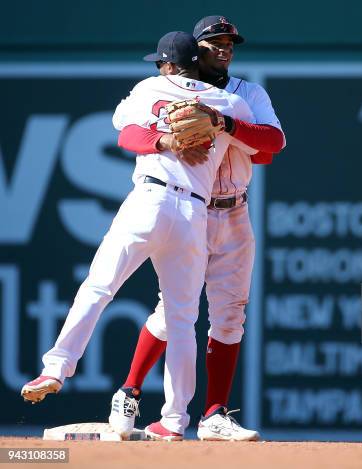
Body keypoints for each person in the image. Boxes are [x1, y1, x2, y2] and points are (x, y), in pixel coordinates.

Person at [21, 31, 256, 440]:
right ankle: (175, 421)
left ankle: (55, 368)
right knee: (184, 320)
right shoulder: (228, 102)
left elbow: (126, 134)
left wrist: (161, 140)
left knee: (98, 287)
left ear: (167, 65)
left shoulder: (150, 87)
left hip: (149, 198)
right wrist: (220, 125)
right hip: (194, 213)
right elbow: (272, 143)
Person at [108, 16, 285, 441]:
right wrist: (168, 139)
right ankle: (129, 391)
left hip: (235, 212)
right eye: (214, 42)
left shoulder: (247, 94)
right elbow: (127, 131)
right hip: (191, 211)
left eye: (230, 42)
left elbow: (272, 145)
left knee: (230, 316)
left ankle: (214, 414)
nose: (224, 48)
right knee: (173, 313)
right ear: (194, 49)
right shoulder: (166, 92)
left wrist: (224, 124)